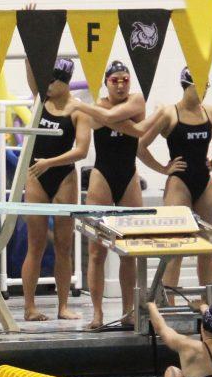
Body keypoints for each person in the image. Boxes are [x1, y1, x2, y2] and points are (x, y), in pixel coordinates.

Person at [69, 60, 173, 328]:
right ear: (106, 82)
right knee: (96, 252)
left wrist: (84, 106)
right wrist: (154, 116)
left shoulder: (136, 100)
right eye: (115, 80)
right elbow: (131, 127)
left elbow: (132, 129)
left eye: (125, 79)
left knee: (130, 251)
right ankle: (98, 313)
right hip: (101, 176)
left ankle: (129, 311)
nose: (120, 84)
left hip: (129, 177)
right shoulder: (98, 108)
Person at [137, 67, 212, 306]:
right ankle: (169, 301)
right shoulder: (170, 114)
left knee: (207, 245)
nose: (203, 93)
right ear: (186, 86)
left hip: (203, 182)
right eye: (198, 88)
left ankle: (205, 300)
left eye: (206, 88)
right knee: (175, 246)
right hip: (179, 183)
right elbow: (140, 146)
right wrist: (163, 168)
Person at [22, 57, 91, 322]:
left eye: (53, 81)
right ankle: (30, 308)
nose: (48, 85)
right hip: (36, 177)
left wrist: (49, 163)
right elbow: (30, 69)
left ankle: (63, 306)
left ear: (65, 82)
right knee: (35, 245)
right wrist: (30, 35)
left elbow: (81, 150)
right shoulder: (41, 98)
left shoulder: (78, 110)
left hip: (63, 176)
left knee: (64, 244)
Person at [146, 301, 212, 377]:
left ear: (202, 326)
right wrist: (203, 306)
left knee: (172, 372)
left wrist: (151, 305)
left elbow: (161, 328)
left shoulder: (189, 347)